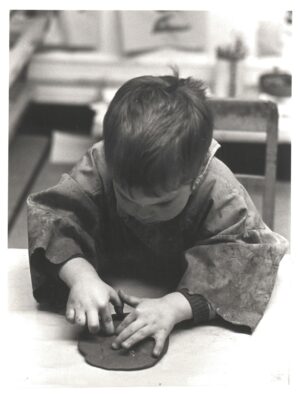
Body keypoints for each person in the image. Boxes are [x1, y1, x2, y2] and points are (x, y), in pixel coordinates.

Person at [27, 73, 288, 357]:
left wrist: (172, 307)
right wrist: (81, 277)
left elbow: (245, 263)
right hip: (115, 283)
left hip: (187, 310)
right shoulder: (103, 164)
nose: (141, 211)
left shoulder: (219, 189)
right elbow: (54, 217)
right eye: (126, 196)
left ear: (195, 175)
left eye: (161, 203)